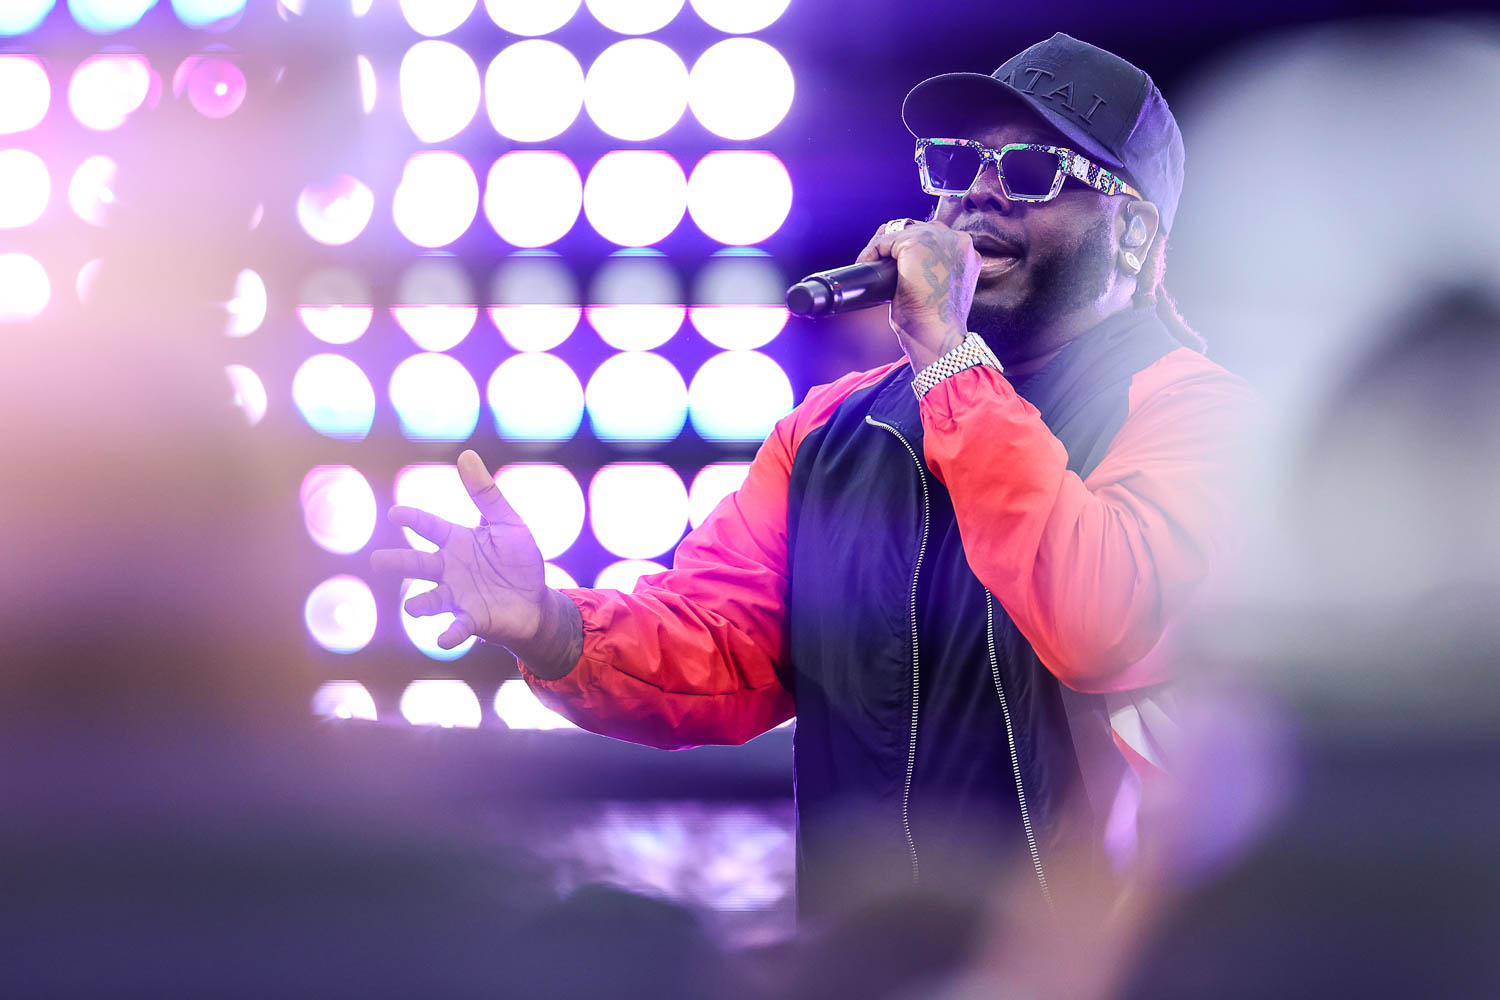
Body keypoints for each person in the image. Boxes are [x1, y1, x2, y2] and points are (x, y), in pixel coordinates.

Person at [373, 33, 1254, 916]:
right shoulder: (835, 431)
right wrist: (553, 623)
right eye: (956, 163)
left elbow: (1105, 618)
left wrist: (948, 361)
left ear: (1133, 234)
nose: (979, 190)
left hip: (1082, 965)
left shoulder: (1201, 420)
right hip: (863, 960)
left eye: (1032, 172)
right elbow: (717, 645)